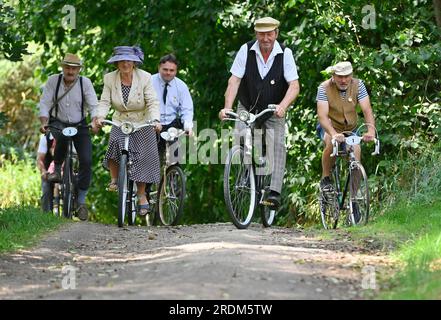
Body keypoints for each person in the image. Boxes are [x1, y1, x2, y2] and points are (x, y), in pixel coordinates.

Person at [218, 17, 300, 208]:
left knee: (278, 144)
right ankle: (246, 171)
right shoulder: (245, 50)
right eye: (262, 34)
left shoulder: (285, 53)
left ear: (276, 34)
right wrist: (227, 107)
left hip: (273, 110)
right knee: (239, 135)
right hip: (247, 106)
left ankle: (274, 192)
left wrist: (283, 106)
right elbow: (234, 81)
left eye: (269, 34)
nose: (265, 38)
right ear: (256, 34)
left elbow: (294, 86)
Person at [93, 46, 162, 216]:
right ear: (117, 63)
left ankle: (141, 195)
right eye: (122, 60)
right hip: (120, 120)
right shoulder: (109, 78)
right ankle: (115, 179)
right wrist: (100, 117)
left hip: (142, 120)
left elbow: (152, 101)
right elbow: (104, 101)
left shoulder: (144, 77)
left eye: (128, 60)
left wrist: (156, 120)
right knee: (115, 142)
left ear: (134, 62)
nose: (125, 63)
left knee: (144, 154)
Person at [38, 53, 99, 221]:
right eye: (67, 67)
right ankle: (57, 168)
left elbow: (93, 105)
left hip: (80, 124)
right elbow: (45, 103)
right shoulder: (53, 81)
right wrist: (43, 121)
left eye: (73, 68)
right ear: (62, 67)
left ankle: (81, 202)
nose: (70, 71)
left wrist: (95, 121)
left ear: (79, 69)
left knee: (86, 160)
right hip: (58, 122)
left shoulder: (84, 83)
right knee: (62, 137)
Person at [316, 61, 376, 193]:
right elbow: (322, 116)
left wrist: (371, 130)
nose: (343, 80)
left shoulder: (358, 85)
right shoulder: (324, 88)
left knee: (356, 150)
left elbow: (367, 110)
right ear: (333, 75)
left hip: (350, 127)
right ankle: (326, 178)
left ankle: (354, 196)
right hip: (329, 126)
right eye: (340, 77)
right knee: (331, 143)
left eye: (347, 76)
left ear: (351, 75)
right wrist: (333, 133)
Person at [151, 54, 194, 157]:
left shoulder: (181, 86)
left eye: (171, 70)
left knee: (176, 157)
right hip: (152, 124)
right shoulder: (149, 82)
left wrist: (188, 126)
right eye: (165, 69)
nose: (168, 73)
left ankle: (174, 171)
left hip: (171, 124)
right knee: (150, 160)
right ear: (159, 68)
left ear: (176, 71)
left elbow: (186, 109)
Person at [36, 132, 56, 212]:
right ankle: (46, 213)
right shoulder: (45, 138)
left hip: (65, 170)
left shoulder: (71, 135)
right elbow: (39, 159)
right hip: (49, 171)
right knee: (46, 185)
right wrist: (43, 171)